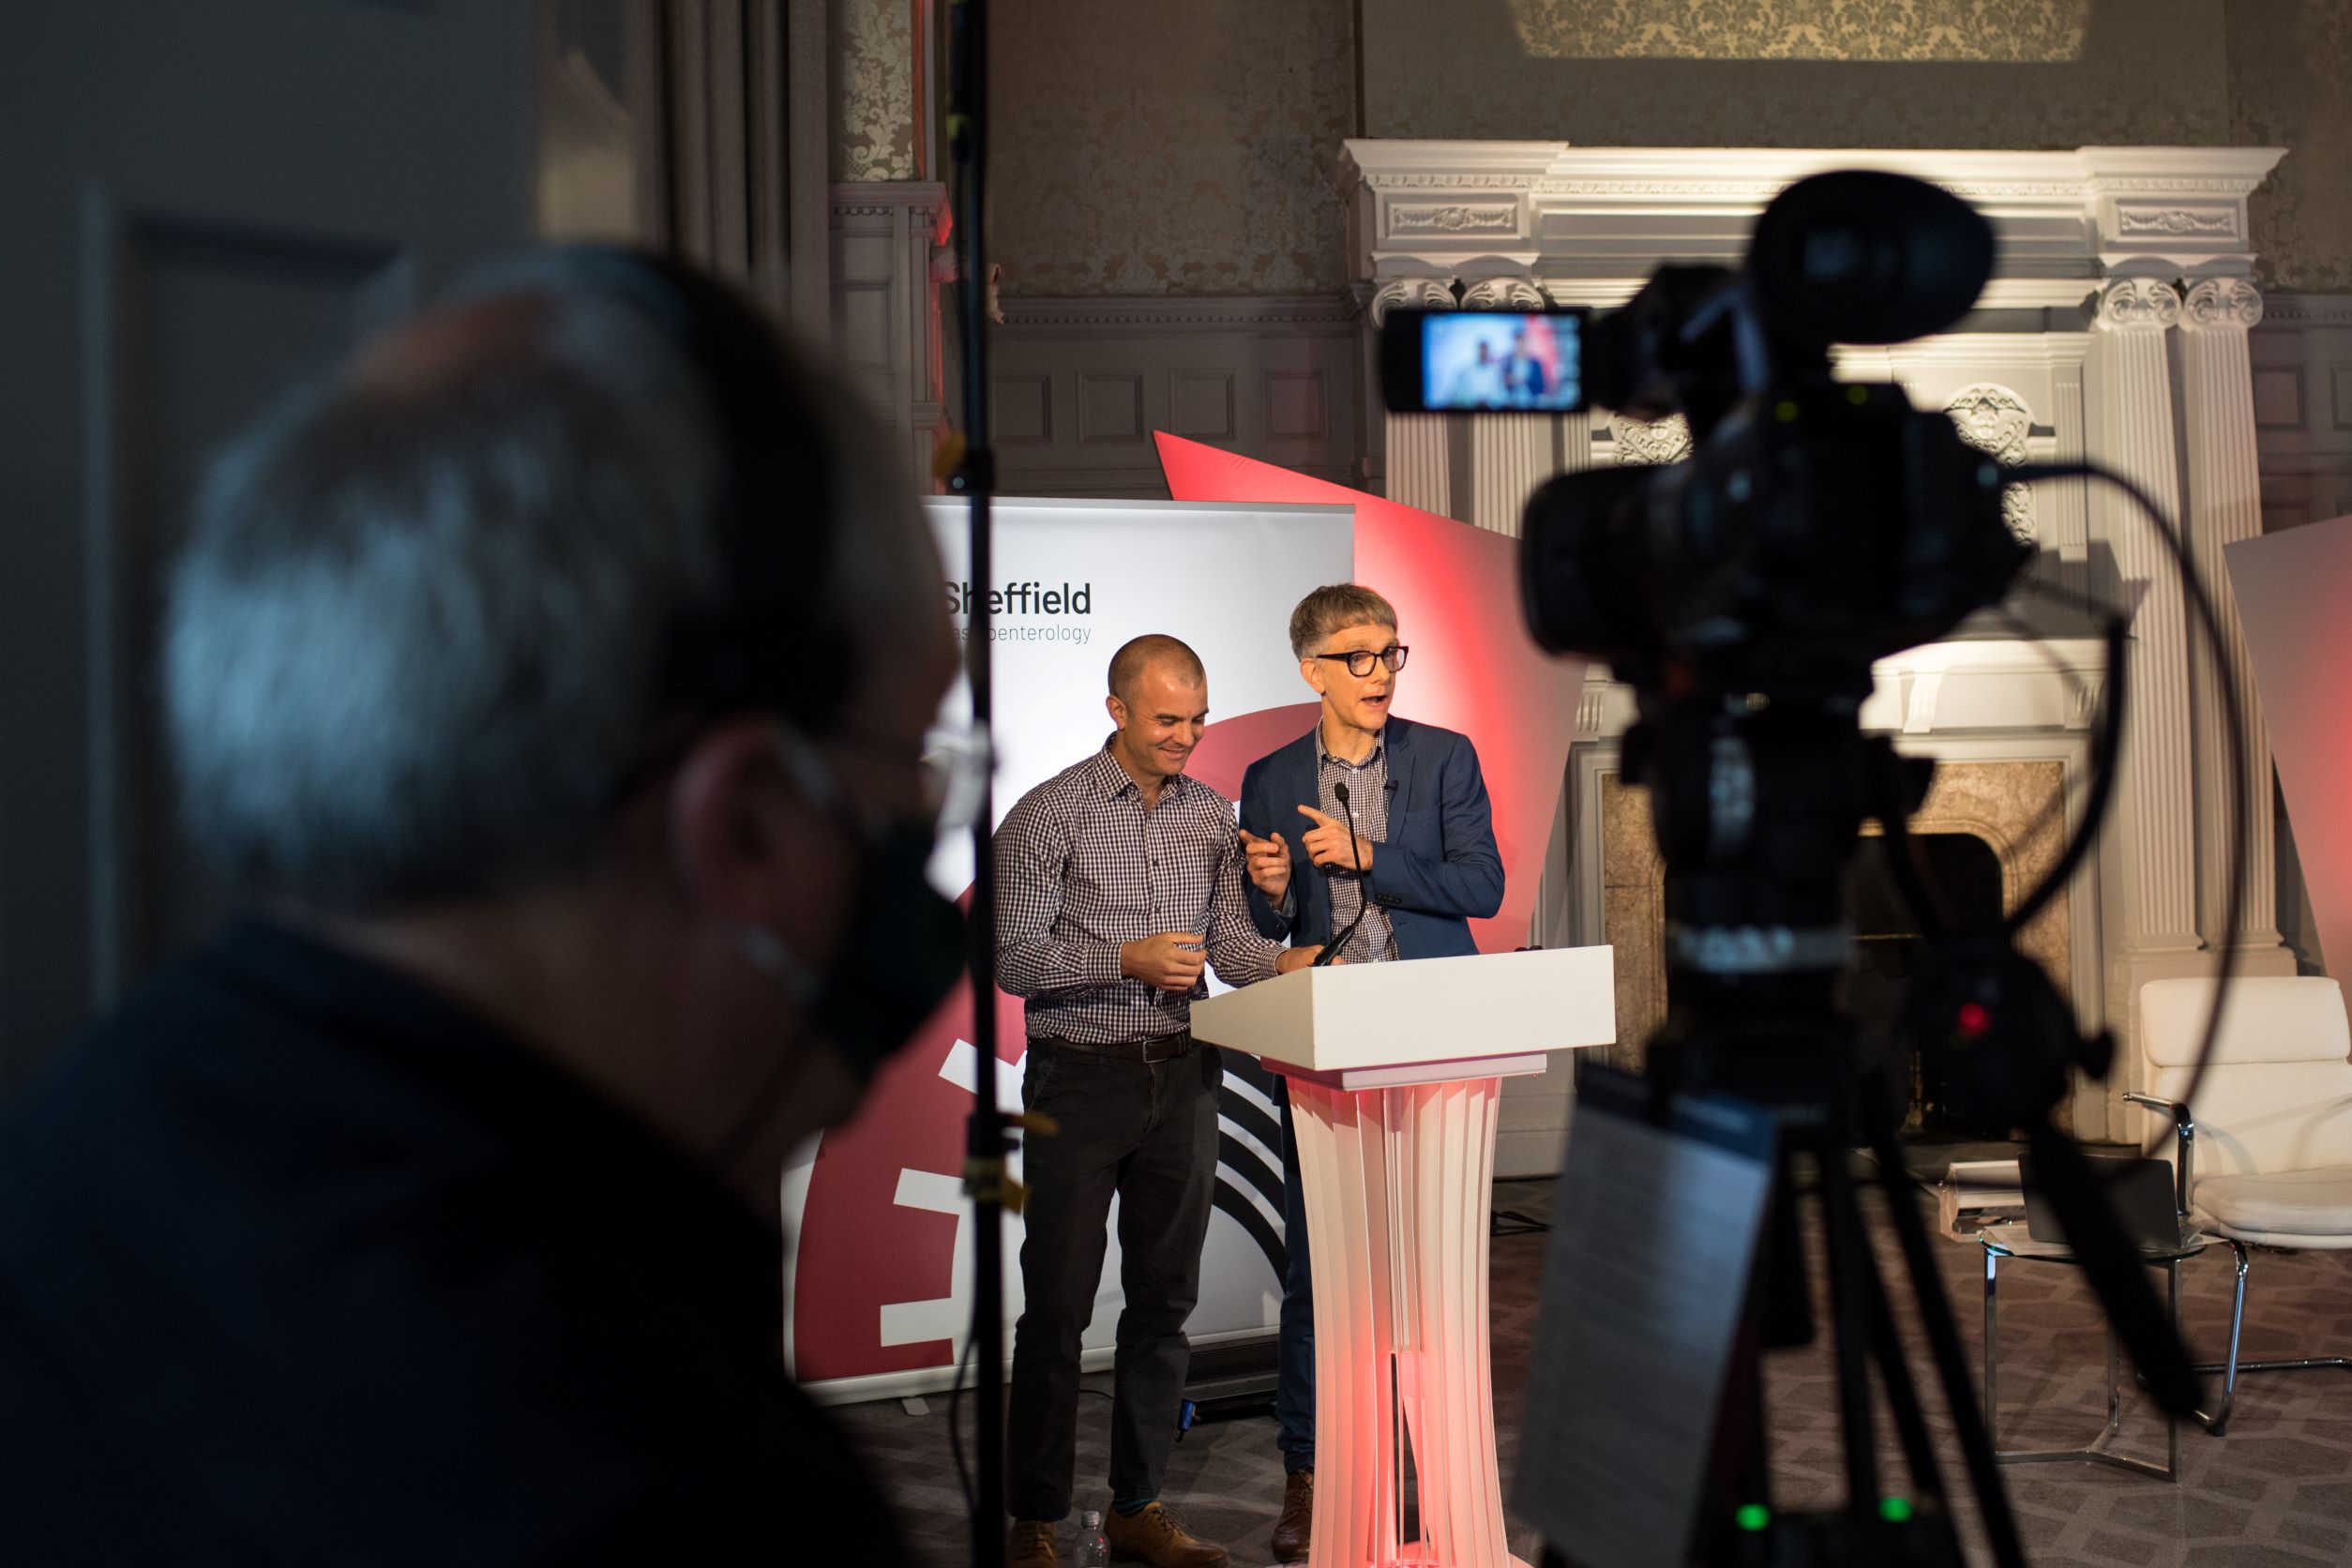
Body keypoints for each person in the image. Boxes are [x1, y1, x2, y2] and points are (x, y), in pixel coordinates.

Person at [0, 249, 964, 1563]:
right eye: (910, 760)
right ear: (747, 824)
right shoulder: (656, 1486)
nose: (925, 836)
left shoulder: (82, 1134)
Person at [995, 636, 1325, 1568]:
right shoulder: (1044, 815)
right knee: (1055, 1310)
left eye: (1198, 718)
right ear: (1118, 712)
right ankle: (1036, 1519)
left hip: (1184, 1074)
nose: (1188, 734)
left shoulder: (1212, 818)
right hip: (1078, 1079)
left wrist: (1293, 945)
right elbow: (1012, 956)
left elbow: (1233, 951)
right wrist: (1123, 958)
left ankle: (1138, 1507)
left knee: (1162, 1304)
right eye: (1169, 719)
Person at [1235, 584, 1504, 1563]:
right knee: (1327, 1272)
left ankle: (1432, 1472)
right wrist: (1269, 894)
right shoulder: (1266, 777)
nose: (1383, 672)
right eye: (1360, 656)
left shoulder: (1444, 757)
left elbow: (1483, 884)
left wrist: (1368, 854)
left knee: (1430, 1276)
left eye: (1393, 653)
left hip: (1435, 1037)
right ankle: (1312, 1474)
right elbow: (1272, 930)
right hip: (1327, 1051)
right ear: (1310, 669)